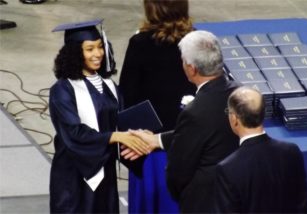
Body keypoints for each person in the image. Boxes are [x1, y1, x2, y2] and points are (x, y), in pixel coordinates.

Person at [126, 30, 241, 213]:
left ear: (191, 68)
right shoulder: (239, 93)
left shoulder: (195, 111)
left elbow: (177, 173)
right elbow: (210, 127)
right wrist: (157, 140)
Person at [49, 19, 149, 213]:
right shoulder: (62, 90)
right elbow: (73, 133)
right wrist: (115, 136)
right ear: (76, 53)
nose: (98, 54)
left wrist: (138, 135)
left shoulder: (109, 85)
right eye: (89, 49)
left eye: (100, 47)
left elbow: (123, 120)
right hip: (75, 175)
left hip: (105, 172)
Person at [119, 0, 195, 212]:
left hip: (149, 147)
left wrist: (130, 141)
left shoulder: (140, 43)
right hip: (188, 145)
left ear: (151, 8)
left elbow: (127, 96)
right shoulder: (197, 41)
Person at [215, 86, 307, 213]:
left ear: (234, 119)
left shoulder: (227, 169)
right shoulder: (291, 152)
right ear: (263, 114)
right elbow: (302, 207)